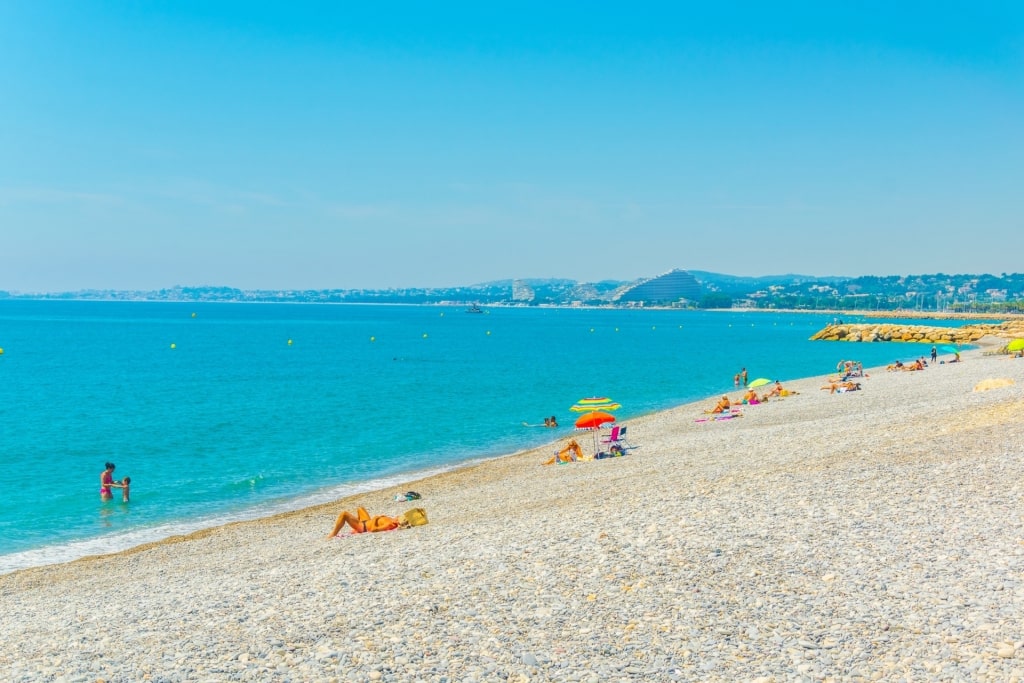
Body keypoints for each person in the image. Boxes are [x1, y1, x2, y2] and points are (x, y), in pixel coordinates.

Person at [327, 507, 401, 537]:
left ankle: (333, 534)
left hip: (363, 527)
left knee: (344, 514)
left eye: (399, 518)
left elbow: (373, 530)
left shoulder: (389, 524)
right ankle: (355, 528)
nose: (397, 517)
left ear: (398, 522)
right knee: (360, 508)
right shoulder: (391, 520)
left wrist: (376, 518)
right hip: (367, 521)